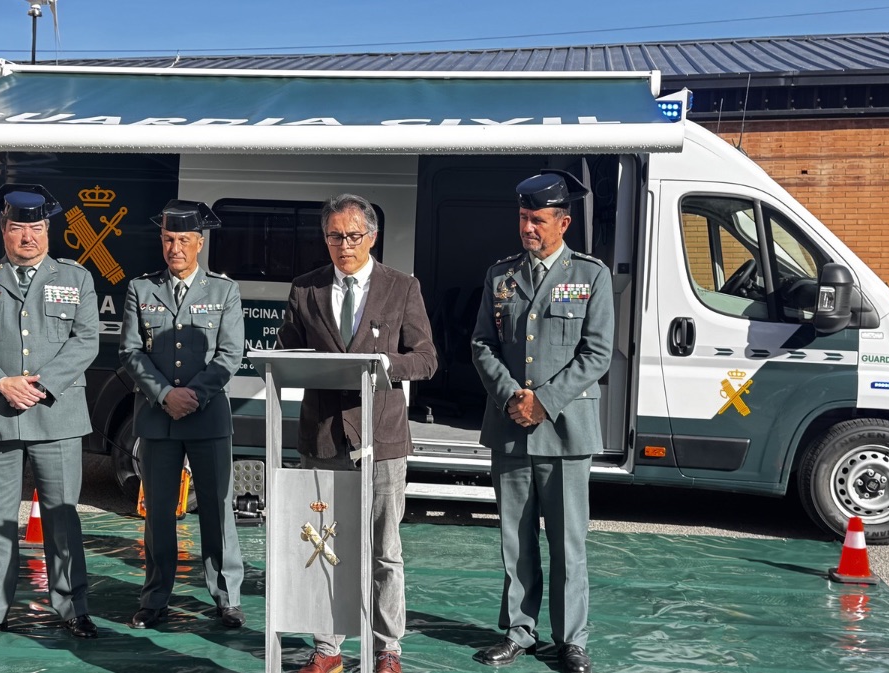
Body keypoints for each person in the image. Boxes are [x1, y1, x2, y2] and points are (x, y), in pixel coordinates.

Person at [276, 193, 437, 673]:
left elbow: (427, 358)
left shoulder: (401, 287)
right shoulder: (305, 290)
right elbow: (286, 354)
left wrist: (389, 365)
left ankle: (388, 649)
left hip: (380, 440)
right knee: (325, 547)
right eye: (333, 236)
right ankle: (328, 649)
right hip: (323, 437)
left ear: (372, 236)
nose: (343, 245)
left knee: (384, 551)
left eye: (352, 235)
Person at [470, 171, 613, 673]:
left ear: (563, 222)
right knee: (516, 538)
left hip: (565, 430)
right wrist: (513, 396)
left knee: (568, 541)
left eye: (537, 220)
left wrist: (543, 401)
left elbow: (596, 355)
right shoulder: (501, 276)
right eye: (523, 218)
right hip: (510, 426)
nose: (527, 228)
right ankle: (519, 632)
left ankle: (571, 639)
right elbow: (482, 343)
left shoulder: (591, 275)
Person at [0, 183, 100, 644]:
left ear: (48, 230)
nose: (28, 237)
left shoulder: (76, 279)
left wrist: (40, 386)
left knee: (62, 515)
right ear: (3, 229)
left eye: (36, 228)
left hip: (56, 415)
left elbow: (86, 340)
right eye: (18, 228)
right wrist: (0, 382)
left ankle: (73, 607)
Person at [118, 200, 247, 629]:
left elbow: (230, 354)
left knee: (216, 509)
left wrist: (193, 394)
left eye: (184, 241)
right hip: (158, 418)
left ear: (200, 243)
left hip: (207, 416)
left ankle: (226, 598)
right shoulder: (141, 289)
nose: (176, 248)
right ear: (162, 241)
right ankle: (155, 598)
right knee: (158, 513)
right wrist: (163, 395)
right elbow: (131, 351)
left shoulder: (223, 291)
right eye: (169, 240)